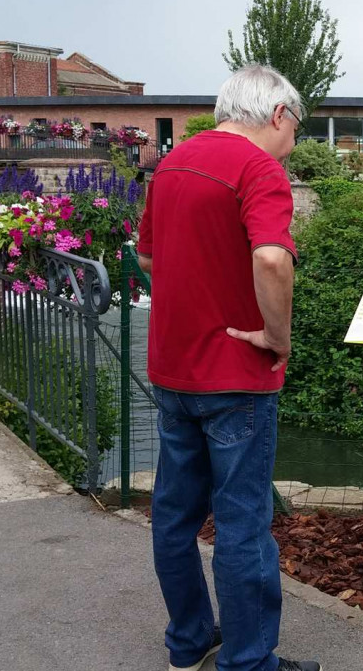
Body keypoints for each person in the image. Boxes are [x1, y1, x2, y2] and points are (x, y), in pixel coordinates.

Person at [137, 65, 320, 671]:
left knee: (174, 517)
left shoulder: (173, 162)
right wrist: (277, 336)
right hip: (237, 378)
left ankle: (189, 642)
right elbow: (272, 257)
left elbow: (145, 255)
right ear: (278, 116)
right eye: (298, 126)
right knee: (242, 527)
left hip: (173, 372)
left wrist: (192, 301)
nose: (295, 141)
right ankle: (249, 663)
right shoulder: (259, 168)